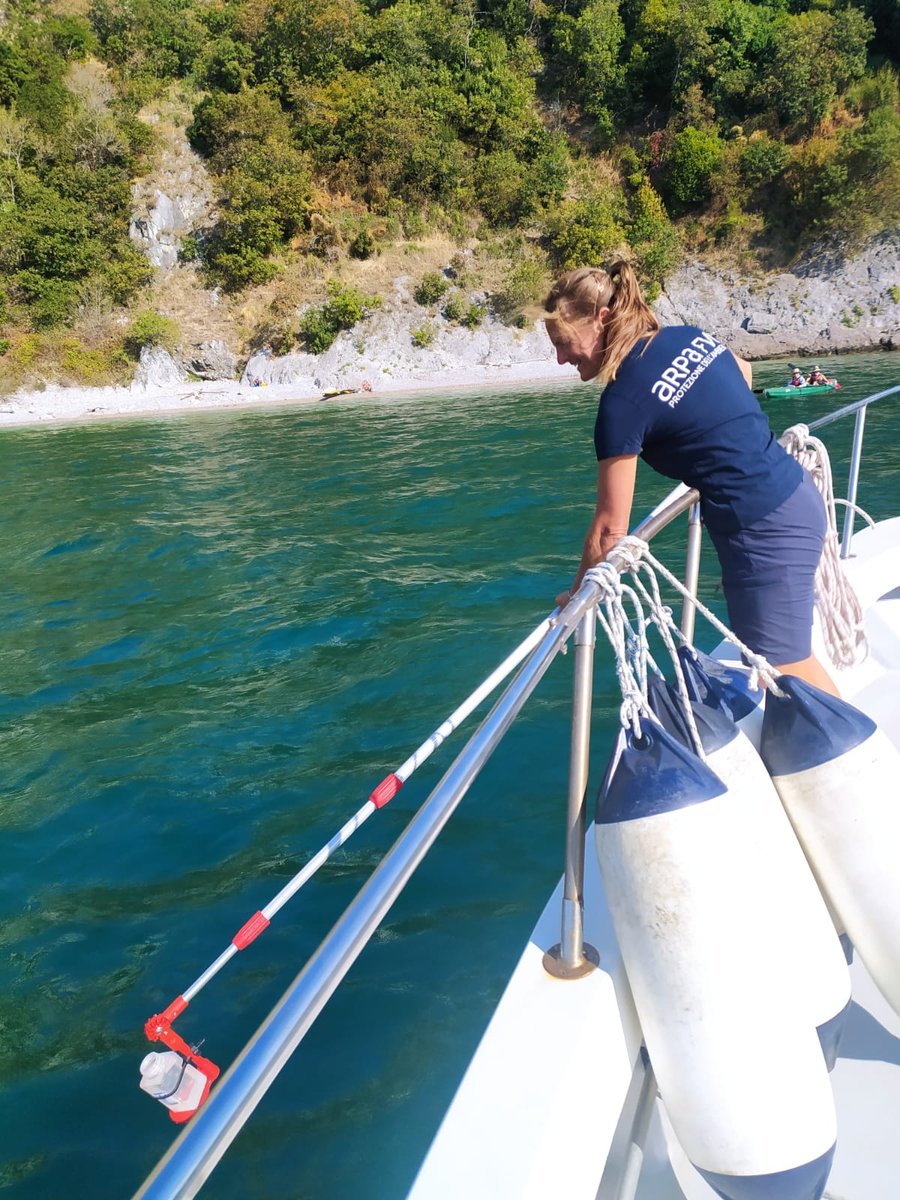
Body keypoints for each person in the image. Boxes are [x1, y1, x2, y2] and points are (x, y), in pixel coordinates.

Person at [544, 262, 839, 696]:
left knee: (784, 669)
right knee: (773, 659)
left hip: (762, 528)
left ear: (602, 320)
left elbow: (610, 531)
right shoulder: (686, 336)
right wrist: (711, 446)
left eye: (564, 343)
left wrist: (575, 599)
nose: (561, 357)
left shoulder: (621, 403)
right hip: (793, 491)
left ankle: (866, 762)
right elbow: (742, 371)